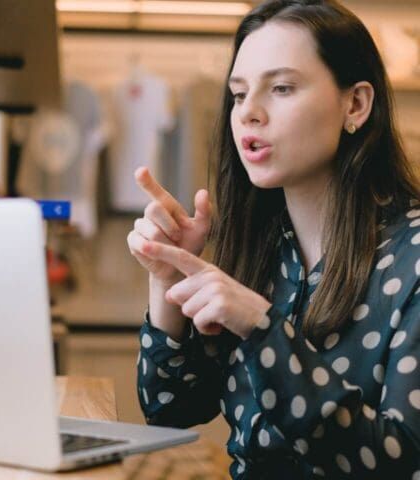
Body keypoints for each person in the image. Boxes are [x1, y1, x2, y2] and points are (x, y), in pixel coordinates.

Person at [126, 1, 420, 478]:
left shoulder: (413, 258)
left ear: (356, 104)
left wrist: (262, 328)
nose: (249, 114)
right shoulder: (264, 249)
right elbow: (170, 412)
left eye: (281, 88)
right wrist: (167, 275)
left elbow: (400, 461)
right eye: (239, 95)